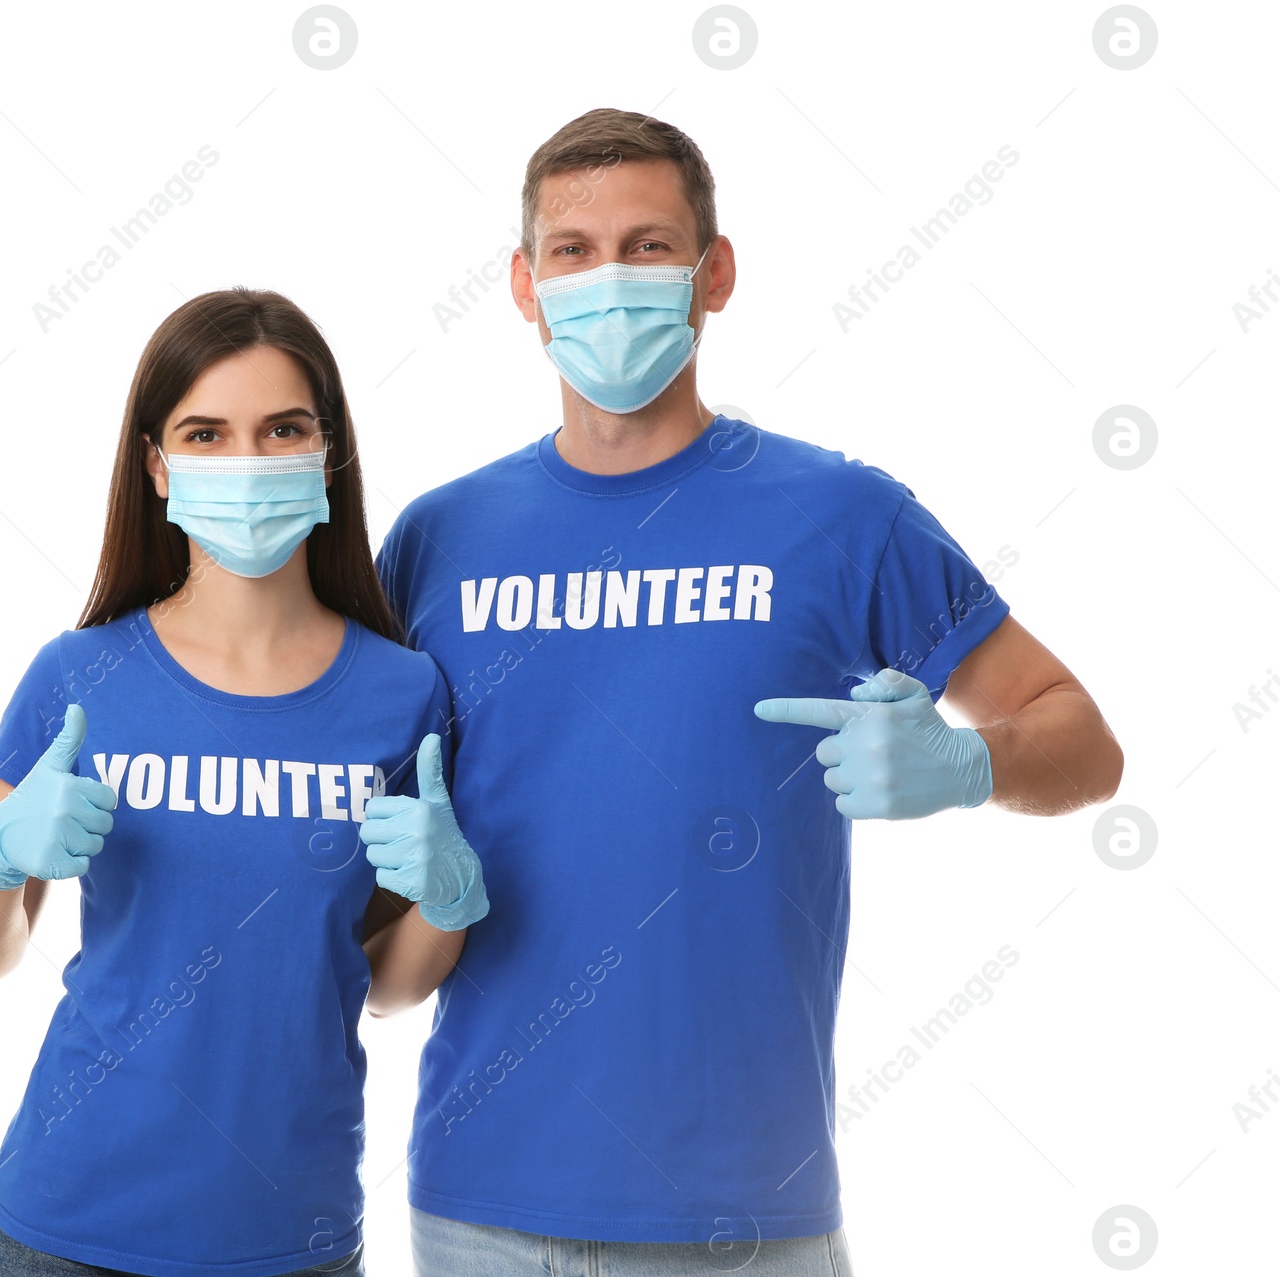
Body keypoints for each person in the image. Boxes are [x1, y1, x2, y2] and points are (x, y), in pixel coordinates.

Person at [375, 109, 1125, 1276]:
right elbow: (363, 860)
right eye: (572, 252)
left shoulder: (839, 515)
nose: (608, 279)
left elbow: (1082, 738)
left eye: (649, 245)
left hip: (741, 1214)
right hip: (479, 1204)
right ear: (523, 287)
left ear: (713, 273)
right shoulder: (438, 539)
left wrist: (970, 764)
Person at [0, 288, 490, 1277]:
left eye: (282, 429)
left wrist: (449, 898)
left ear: (328, 450)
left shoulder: (402, 693)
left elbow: (384, 988)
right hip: (68, 1222)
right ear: (156, 462)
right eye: (206, 432)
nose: (248, 462)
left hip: (290, 1233)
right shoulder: (79, 675)